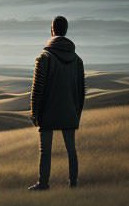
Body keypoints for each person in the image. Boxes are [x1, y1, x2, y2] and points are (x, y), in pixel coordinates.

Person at [28, 16, 86, 191]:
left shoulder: (44, 58)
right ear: (66, 30)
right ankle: (73, 184)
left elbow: (37, 89)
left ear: (51, 29)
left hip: (47, 113)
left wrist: (34, 112)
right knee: (71, 150)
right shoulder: (77, 60)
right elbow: (81, 92)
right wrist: (77, 113)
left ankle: (43, 184)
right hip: (70, 112)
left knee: (45, 151)